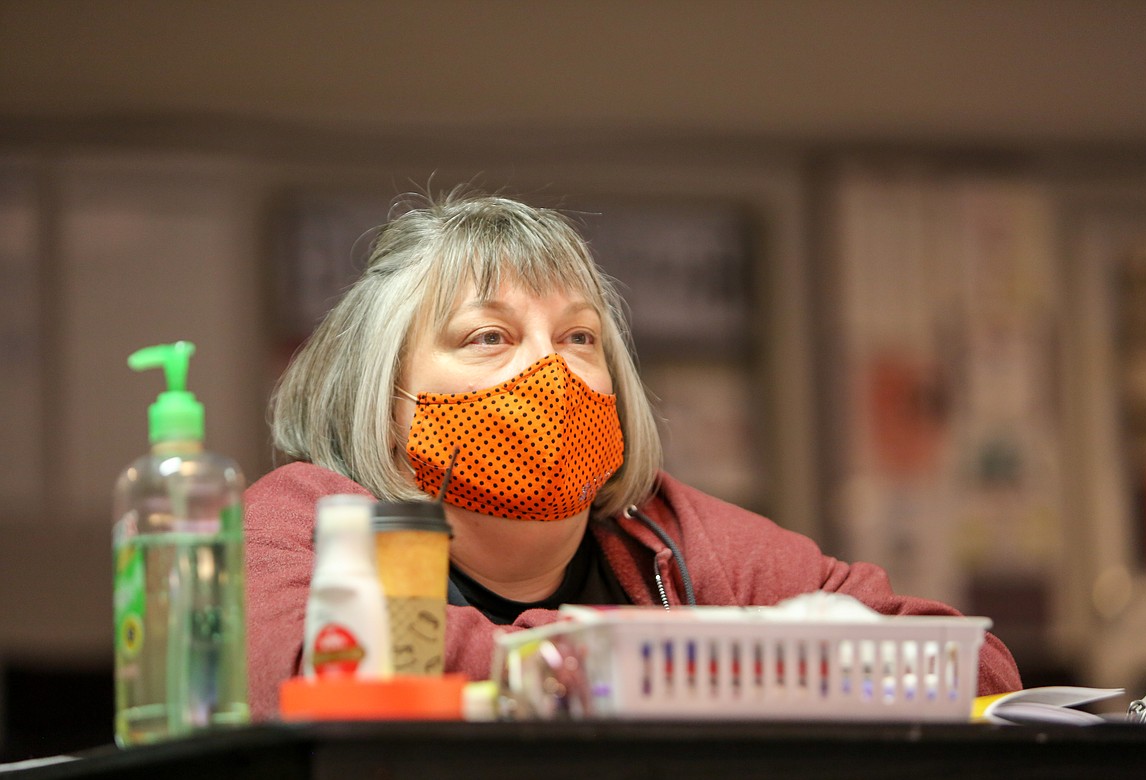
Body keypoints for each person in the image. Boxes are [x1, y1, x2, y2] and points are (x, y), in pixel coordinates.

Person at [244, 190, 1021, 720]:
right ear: (385, 404)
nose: (551, 371)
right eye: (489, 337)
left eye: (580, 337)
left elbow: (977, 671)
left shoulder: (676, 529)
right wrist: (679, 661)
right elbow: (296, 672)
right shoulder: (308, 518)